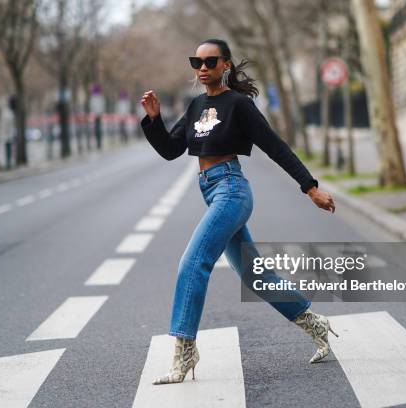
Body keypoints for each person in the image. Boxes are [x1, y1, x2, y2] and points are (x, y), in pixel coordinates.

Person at [139, 38, 338, 385]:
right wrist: (154, 120)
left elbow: (275, 146)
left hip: (231, 190)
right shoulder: (194, 105)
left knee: (193, 262)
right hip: (210, 190)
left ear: (225, 65)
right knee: (254, 275)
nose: (202, 68)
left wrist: (311, 187)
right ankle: (314, 323)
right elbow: (171, 150)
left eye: (210, 61)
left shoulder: (238, 105)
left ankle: (185, 350)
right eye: (196, 62)